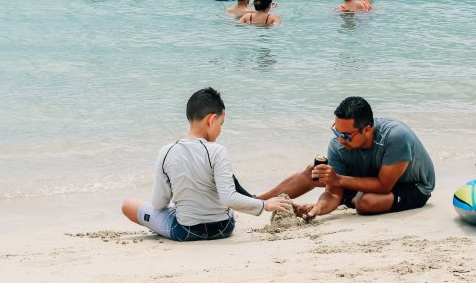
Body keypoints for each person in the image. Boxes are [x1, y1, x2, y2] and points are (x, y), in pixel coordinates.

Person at [121, 88, 292, 242]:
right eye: (221, 124)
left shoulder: (167, 151)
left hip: (185, 231)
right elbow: (228, 198)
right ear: (211, 120)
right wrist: (264, 205)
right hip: (223, 228)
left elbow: (159, 204)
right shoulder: (218, 151)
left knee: (128, 205)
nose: (221, 130)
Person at [259, 96, 435, 218]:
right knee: (312, 173)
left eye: (347, 135)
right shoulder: (337, 144)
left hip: (411, 187)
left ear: (367, 129)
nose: (340, 140)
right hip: (368, 180)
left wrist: (339, 180)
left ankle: (353, 199)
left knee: (365, 203)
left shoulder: (396, 136)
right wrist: (317, 209)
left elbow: (384, 185)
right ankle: (256, 201)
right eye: (337, 131)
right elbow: (333, 191)